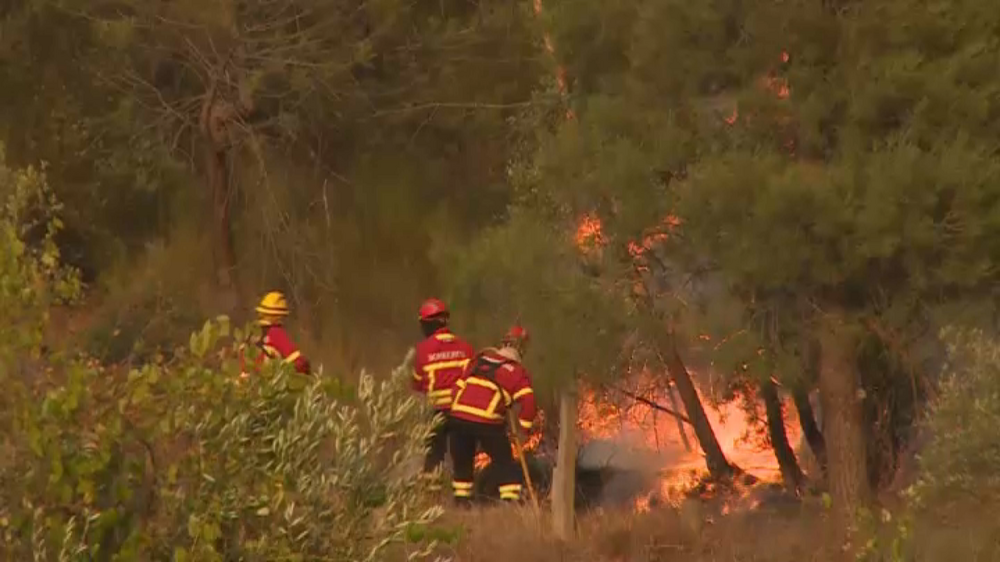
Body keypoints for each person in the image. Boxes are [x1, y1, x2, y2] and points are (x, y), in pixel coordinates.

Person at [448, 325, 536, 505]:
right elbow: (528, 402)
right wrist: (523, 430)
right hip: (486, 420)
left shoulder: (477, 360)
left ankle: (461, 503)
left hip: (457, 418)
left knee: (463, 464)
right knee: (504, 462)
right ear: (522, 348)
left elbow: (456, 389)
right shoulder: (517, 371)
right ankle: (510, 503)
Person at [412, 298, 475, 483]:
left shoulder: (423, 350)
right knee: (462, 456)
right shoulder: (465, 347)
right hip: (460, 411)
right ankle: (463, 499)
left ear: (427, 324)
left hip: (435, 412)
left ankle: (431, 496)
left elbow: (416, 383)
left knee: (433, 455)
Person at [240, 291, 311, 376]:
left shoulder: (250, 333)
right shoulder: (276, 333)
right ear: (279, 316)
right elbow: (298, 361)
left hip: (244, 385)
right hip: (267, 384)